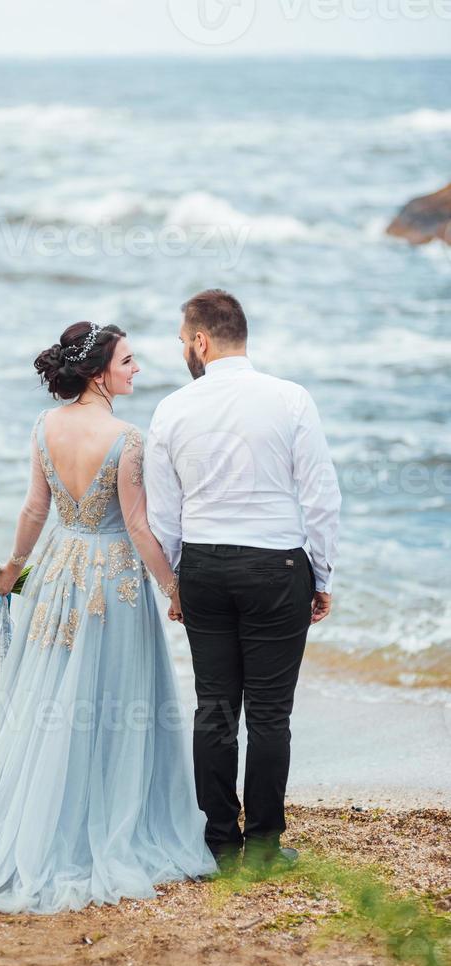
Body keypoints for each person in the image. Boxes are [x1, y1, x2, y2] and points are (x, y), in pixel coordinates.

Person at [0, 320, 217, 915]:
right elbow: (136, 525)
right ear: (99, 371)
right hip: (112, 578)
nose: (136, 370)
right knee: (110, 695)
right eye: (128, 361)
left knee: (53, 690)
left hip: (56, 569)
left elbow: (34, 507)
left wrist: (11, 570)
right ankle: (101, 822)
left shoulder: (45, 426)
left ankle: (42, 810)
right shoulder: (128, 438)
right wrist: (172, 586)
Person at [145, 289, 342, 868]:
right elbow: (322, 498)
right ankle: (263, 845)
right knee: (270, 714)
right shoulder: (292, 399)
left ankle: (219, 844)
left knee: (215, 708)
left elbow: (163, 512)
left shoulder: (172, 408)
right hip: (278, 567)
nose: (184, 350)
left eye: (184, 341)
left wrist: (179, 580)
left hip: (205, 565)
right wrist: (322, 574)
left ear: (201, 342)